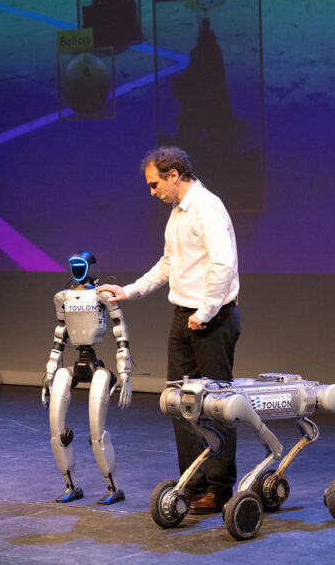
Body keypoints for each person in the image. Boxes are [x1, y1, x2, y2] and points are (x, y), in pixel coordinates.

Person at [98, 146, 241, 513]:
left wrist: (205, 311)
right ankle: (192, 484)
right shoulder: (177, 213)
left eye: (154, 184)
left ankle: (220, 489)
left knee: (215, 406)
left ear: (174, 175)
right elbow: (168, 264)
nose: (152, 192)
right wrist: (129, 291)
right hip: (184, 318)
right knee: (180, 403)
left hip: (212, 320)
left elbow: (223, 265)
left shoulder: (207, 207)